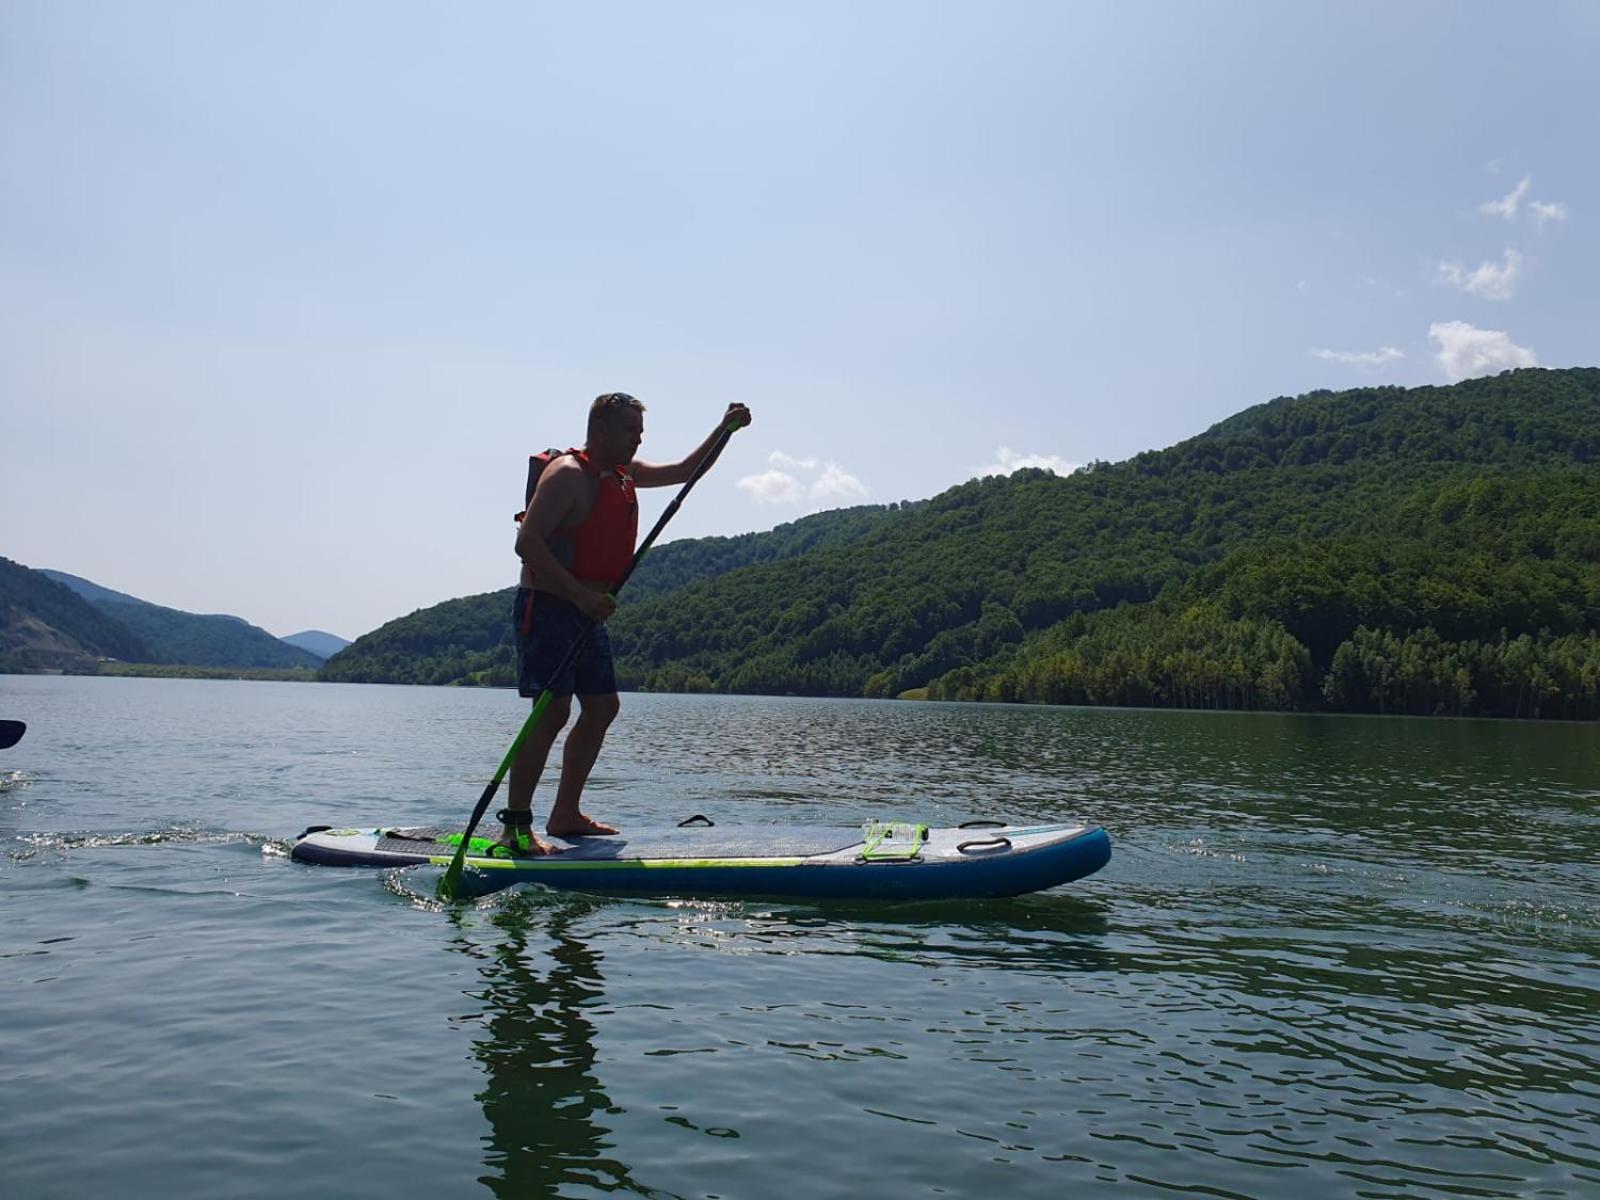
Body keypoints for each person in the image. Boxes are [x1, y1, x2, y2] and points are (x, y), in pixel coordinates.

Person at [499, 392, 752, 855]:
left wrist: (724, 431)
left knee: (601, 706)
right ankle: (515, 826)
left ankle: (566, 813)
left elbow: (683, 472)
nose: (638, 440)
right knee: (552, 711)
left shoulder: (622, 474)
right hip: (551, 604)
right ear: (600, 431)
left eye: (640, 432)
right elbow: (528, 544)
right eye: (630, 431)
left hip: (588, 610)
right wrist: (580, 595)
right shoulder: (566, 476)